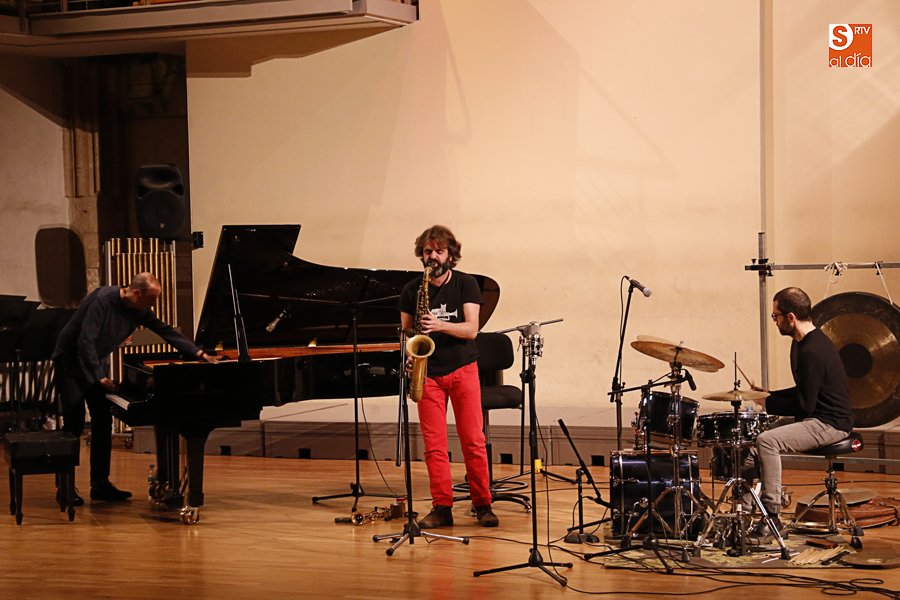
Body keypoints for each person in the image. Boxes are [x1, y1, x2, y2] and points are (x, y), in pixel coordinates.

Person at [53, 272, 219, 503]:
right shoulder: (102, 299)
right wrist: (100, 377)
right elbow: (85, 341)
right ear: (137, 293)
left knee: (103, 421)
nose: (153, 305)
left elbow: (165, 330)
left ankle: (100, 484)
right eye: (152, 299)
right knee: (74, 423)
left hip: (94, 363)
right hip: (71, 363)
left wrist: (199, 354)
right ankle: (65, 487)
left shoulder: (139, 308)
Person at [398, 225, 498, 528]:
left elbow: (471, 329)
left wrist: (439, 325)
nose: (433, 257)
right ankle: (442, 507)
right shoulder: (412, 289)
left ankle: (483, 504)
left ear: (451, 255)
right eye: (428, 251)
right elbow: (406, 331)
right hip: (428, 373)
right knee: (434, 446)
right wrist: (408, 355)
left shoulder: (466, 283)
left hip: (463, 369)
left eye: (439, 251)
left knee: (473, 441)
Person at [744, 287, 853, 542]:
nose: (775, 321)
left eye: (776, 316)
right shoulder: (805, 343)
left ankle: (772, 518)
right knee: (753, 439)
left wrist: (768, 403)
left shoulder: (811, 351)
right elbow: (805, 390)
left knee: (767, 441)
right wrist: (770, 394)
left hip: (831, 422)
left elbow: (804, 405)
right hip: (817, 416)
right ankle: (744, 513)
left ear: (791, 317)